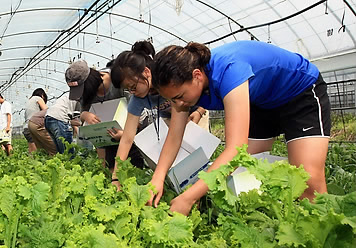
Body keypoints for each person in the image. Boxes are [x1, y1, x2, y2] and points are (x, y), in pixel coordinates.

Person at [148, 40, 331, 215]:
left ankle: (319, 236)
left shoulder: (230, 70)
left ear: (197, 75)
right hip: (261, 102)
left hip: (299, 92)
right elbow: (174, 137)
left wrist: (189, 197)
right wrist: (158, 177)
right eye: (171, 99)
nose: (177, 103)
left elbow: (236, 150)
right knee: (247, 172)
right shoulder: (182, 92)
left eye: (179, 96)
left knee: (309, 182)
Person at [109, 40, 208, 188]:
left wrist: (199, 111)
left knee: (201, 164)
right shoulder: (137, 99)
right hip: (176, 124)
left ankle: (201, 196)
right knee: (179, 166)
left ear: (146, 72)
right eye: (128, 89)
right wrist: (115, 177)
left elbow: (203, 91)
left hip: (196, 115)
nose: (132, 92)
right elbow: (127, 139)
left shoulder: (167, 80)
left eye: (134, 87)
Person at [44, 61, 88, 154]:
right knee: (68, 152)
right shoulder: (79, 97)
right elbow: (76, 121)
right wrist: (83, 133)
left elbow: (73, 121)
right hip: (59, 119)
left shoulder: (67, 96)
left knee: (61, 151)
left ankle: (62, 167)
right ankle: (69, 167)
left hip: (48, 118)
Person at [24, 88, 48, 153]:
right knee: (45, 147)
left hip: (26, 127)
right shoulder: (38, 98)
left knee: (31, 151)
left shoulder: (30, 100)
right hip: (34, 127)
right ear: (42, 95)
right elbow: (47, 111)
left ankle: (29, 162)